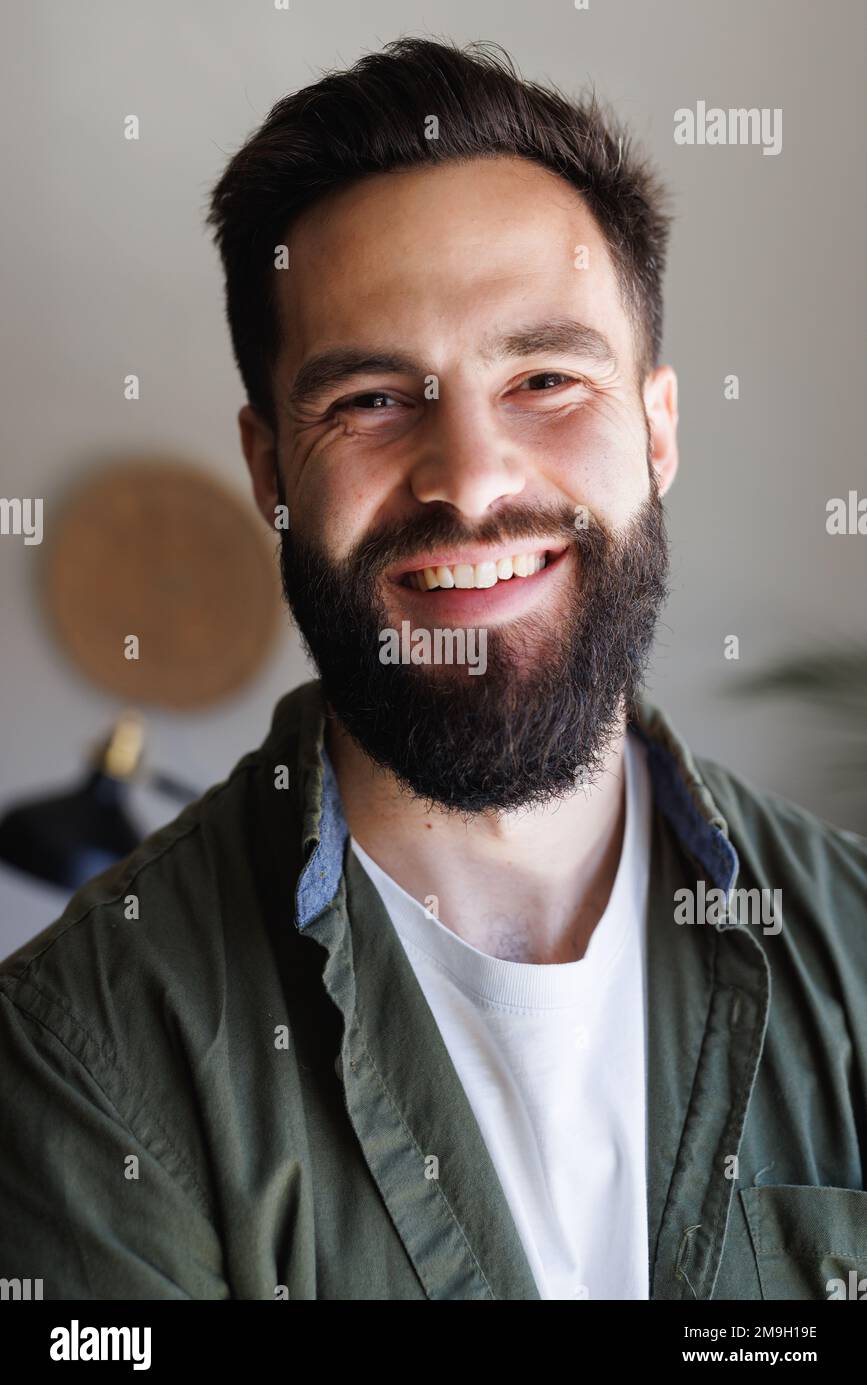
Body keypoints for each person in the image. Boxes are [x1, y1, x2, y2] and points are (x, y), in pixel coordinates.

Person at [1, 37, 865, 1302]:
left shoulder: (851, 945)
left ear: (658, 425)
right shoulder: (84, 1053)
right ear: (266, 469)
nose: (471, 476)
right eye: (369, 401)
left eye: (546, 379)